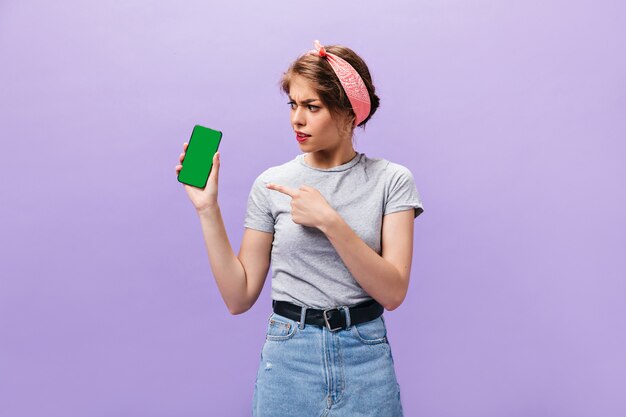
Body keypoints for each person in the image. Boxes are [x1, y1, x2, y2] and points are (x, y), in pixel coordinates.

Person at [175, 40, 424, 417]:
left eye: (313, 107)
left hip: (365, 356)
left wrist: (328, 221)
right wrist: (207, 209)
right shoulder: (272, 184)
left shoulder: (392, 181)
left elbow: (392, 292)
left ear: (349, 114)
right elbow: (238, 297)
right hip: (290, 356)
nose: (297, 119)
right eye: (293, 104)